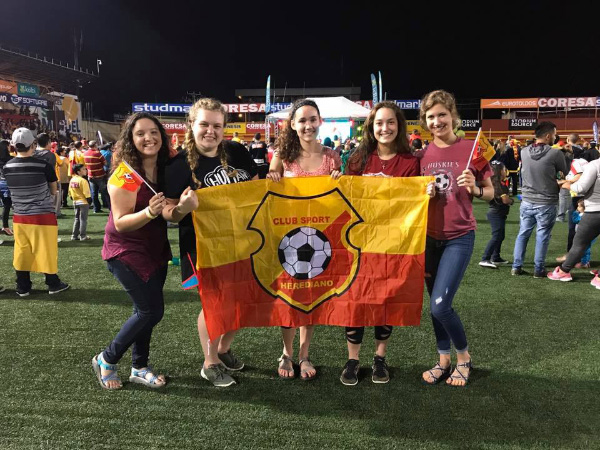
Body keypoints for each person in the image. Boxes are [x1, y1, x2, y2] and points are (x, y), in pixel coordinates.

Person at [163, 98, 258, 388]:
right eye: (204, 124)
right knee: (215, 304)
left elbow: (256, 187)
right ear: (191, 125)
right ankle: (209, 363)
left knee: (243, 300)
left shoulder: (237, 151)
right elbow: (169, 212)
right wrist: (182, 208)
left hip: (243, 241)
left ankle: (223, 349)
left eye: (217, 125)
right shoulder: (178, 166)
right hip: (202, 246)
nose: (210, 131)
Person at [341, 101, 424, 385]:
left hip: (393, 245)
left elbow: (411, 205)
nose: (384, 128)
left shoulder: (411, 163)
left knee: (385, 301)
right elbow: (345, 199)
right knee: (355, 302)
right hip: (360, 244)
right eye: (379, 123)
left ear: (399, 126)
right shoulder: (357, 159)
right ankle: (352, 359)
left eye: (390, 122)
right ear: (371, 127)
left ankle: (379, 358)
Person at [418, 90, 493, 387]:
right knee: (434, 303)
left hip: (459, 237)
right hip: (428, 239)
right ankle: (443, 359)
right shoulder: (421, 155)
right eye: (431, 117)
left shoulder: (471, 150)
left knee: (439, 305)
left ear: (453, 117)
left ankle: (464, 358)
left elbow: (491, 194)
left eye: (442, 115)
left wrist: (475, 188)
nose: (437, 121)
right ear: (425, 121)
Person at [93, 112, 172, 390]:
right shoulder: (125, 175)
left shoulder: (165, 167)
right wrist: (150, 211)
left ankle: (139, 366)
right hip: (125, 251)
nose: (148, 138)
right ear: (130, 139)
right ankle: (107, 358)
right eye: (140, 133)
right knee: (150, 311)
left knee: (145, 311)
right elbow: (121, 223)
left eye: (153, 132)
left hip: (156, 249)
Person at [267, 99, 341, 382]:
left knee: (310, 298)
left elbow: (340, 197)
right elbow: (271, 190)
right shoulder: (282, 155)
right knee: (289, 296)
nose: (308, 125)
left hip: (321, 240)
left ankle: (304, 354)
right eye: (302, 120)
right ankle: (286, 352)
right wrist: (272, 177)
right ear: (293, 125)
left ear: (320, 121)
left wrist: (338, 178)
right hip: (287, 239)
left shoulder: (332, 156)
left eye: (313, 119)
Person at [3, 128, 70, 297]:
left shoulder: (7, 167)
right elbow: (54, 190)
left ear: (13, 145)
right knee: (46, 250)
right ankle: (52, 283)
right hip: (42, 216)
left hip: (19, 216)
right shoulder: (43, 165)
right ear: (33, 144)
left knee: (22, 250)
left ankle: (23, 286)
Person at [511, 121, 567, 278]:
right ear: (548, 135)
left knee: (523, 233)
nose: (555, 137)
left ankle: (516, 266)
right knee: (542, 236)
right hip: (547, 201)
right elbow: (562, 174)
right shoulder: (556, 154)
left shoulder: (524, 151)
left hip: (527, 200)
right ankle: (538, 269)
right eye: (555, 134)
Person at [547, 158, 600, 286]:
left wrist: (565, 184)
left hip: (595, 210)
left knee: (579, 244)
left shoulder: (595, 165)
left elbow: (581, 188)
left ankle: (564, 270)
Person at [479, 161, 513, 268]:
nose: (505, 171)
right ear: (500, 171)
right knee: (496, 236)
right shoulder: (500, 185)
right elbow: (505, 200)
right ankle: (485, 258)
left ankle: (496, 257)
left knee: (500, 236)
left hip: (497, 213)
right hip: (496, 213)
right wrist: (511, 200)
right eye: (504, 169)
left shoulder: (493, 183)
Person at [84, 140, 110, 213]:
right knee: (104, 191)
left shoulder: (85, 153)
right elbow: (105, 163)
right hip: (99, 175)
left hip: (90, 175)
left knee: (94, 193)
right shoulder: (97, 153)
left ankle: (96, 208)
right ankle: (109, 207)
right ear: (95, 145)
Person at [68, 164, 92, 241]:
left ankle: (74, 236)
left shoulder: (72, 179)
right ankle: (83, 236)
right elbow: (86, 193)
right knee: (83, 219)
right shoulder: (83, 181)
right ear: (78, 172)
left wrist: (73, 198)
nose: (86, 170)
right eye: (83, 169)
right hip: (83, 202)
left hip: (75, 202)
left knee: (77, 219)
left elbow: (70, 192)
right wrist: (89, 201)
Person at [0, 139, 13, 235]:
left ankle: (5, 227)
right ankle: (5, 226)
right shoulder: (11, 159)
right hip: (6, 185)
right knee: (7, 205)